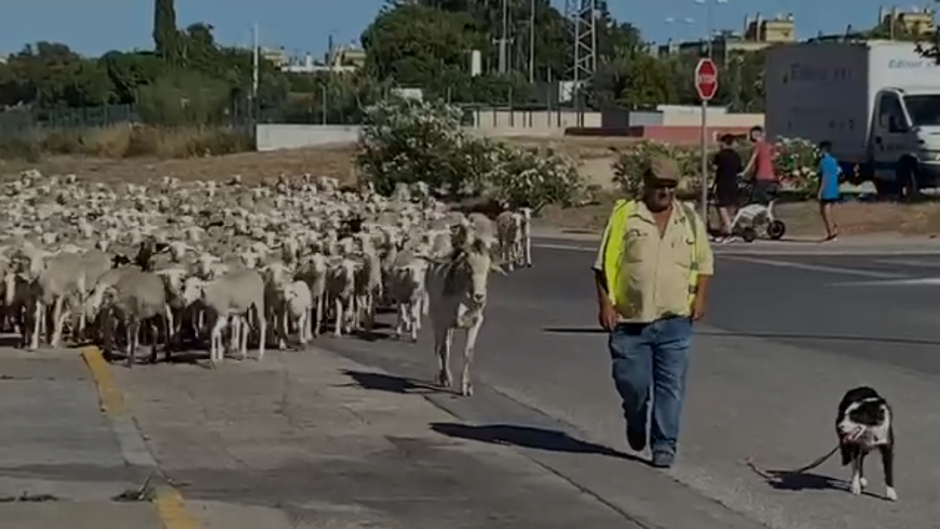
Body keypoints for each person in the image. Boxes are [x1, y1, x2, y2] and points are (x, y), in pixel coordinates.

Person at [592, 155, 714, 469]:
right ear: (646, 185)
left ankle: (664, 445)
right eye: (659, 186)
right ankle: (635, 418)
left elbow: (704, 264)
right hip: (630, 321)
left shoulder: (688, 218)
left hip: (675, 320)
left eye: (671, 187)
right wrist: (605, 304)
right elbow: (602, 266)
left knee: (670, 388)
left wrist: (700, 299)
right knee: (632, 385)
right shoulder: (625, 216)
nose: (665, 193)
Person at [711, 134, 743, 242]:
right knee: (730, 206)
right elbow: (739, 170)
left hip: (722, 183)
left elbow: (714, 168)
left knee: (721, 206)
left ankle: (729, 231)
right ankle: (724, 230)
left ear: (724, 143)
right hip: (733, 183)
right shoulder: (736, 156)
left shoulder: (720, 155)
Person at [742, 126, 777, 205]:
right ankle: (765, 214)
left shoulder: (758, 145)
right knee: (762, 199)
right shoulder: (769, 145)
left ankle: (762, 215)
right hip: (770, 176)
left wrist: (744, 172)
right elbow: (773, 158)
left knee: (755, 200)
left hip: (761, 176)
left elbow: (752, 159)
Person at [817, 140, 841, 241]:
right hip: (833, 188)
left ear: (823, 150)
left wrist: (820, 191)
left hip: (826, 189)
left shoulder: (824, 161)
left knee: (825, 212)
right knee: (827, 211)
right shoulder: (834, 160)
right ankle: (833, 228)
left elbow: (824, 177)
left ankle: (831, 232)